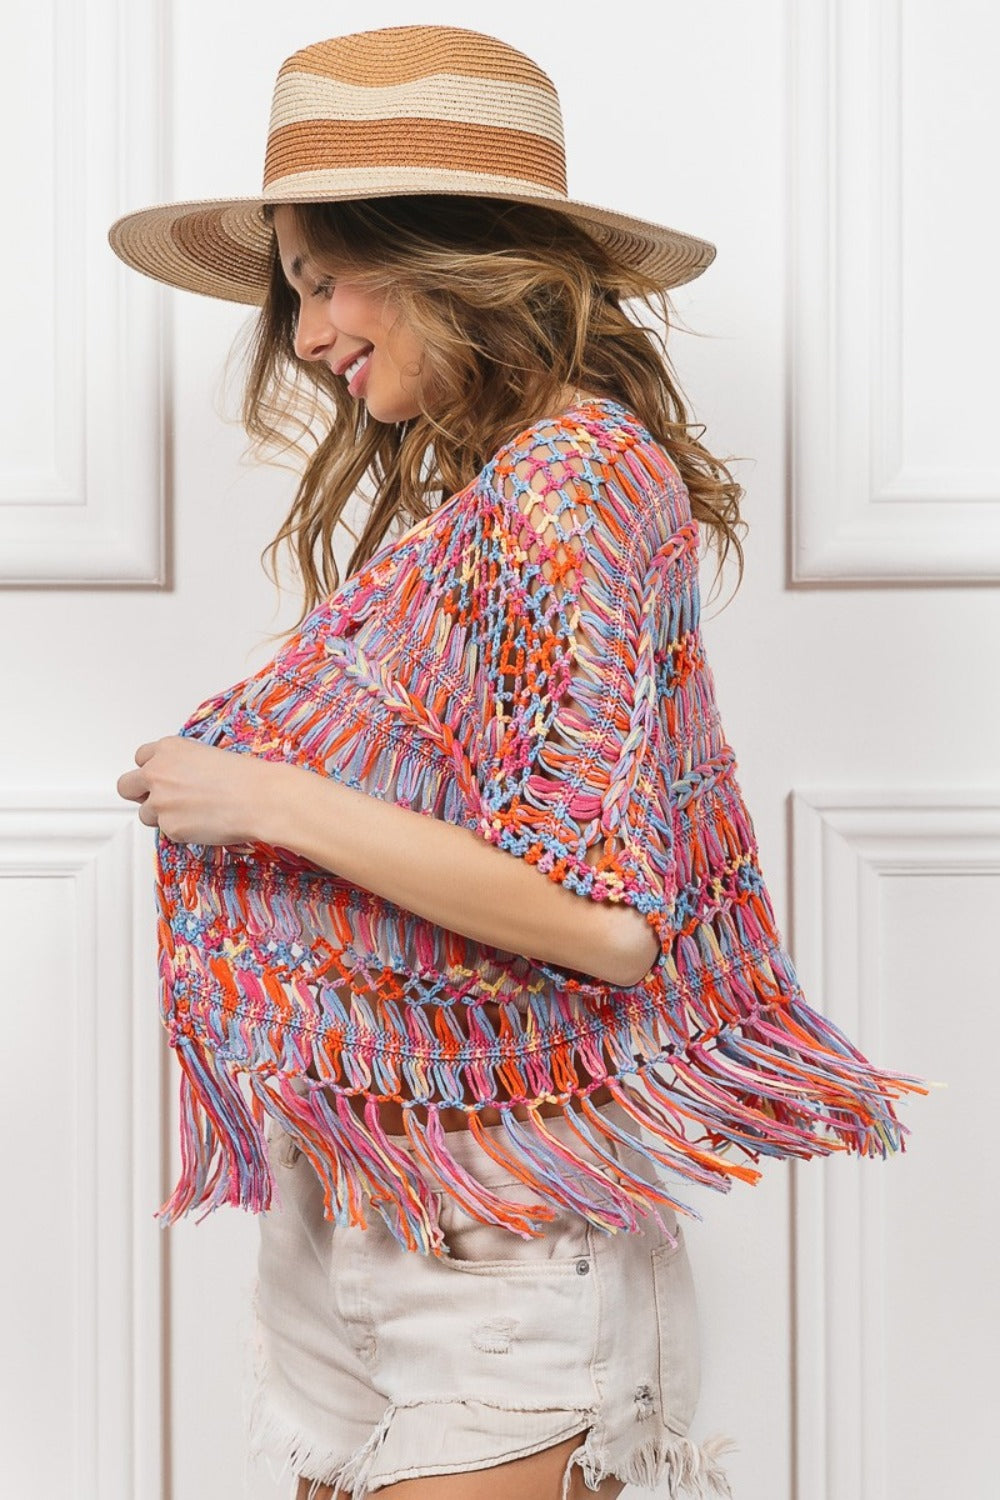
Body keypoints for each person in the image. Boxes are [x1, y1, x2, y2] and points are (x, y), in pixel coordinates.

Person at [109, 24, 928, 1500]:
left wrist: (264, 797)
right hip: (377, 1209)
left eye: (322, 277)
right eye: (296, 289)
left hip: (492, 1247)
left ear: (447, 255)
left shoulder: (576, 476)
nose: (305, 335)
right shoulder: (493, 497)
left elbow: (609, 928)